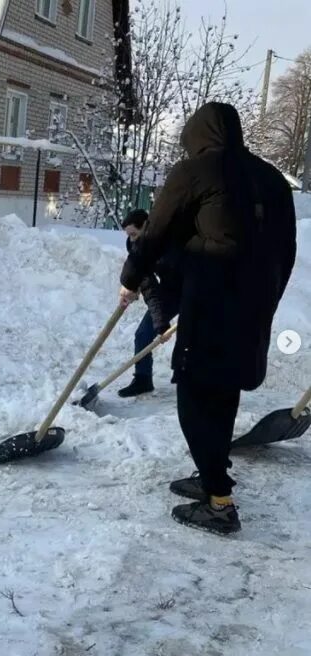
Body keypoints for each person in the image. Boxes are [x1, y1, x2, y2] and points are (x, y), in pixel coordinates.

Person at [119, 102, 296, 536]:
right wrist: (268, 298)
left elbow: (156, 231)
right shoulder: (272, 178)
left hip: (212, 300)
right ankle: (211, 471)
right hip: (254, 304)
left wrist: (131, 279)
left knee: (195, 397)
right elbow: (286, 249)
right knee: (224, 389)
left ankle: (219, 502)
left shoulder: (195, 171)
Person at [117, 208, 183, 398]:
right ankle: (143, 379)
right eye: (129, 235)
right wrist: (160, 322)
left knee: (193, 335)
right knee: (143, 333)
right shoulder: (137, 247)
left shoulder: (171, 243)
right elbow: (149, 287)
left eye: (134, 234)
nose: (132, 240)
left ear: (146, 227)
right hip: (170, 290)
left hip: (192, 290)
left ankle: (191, 379)